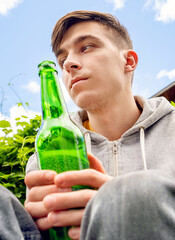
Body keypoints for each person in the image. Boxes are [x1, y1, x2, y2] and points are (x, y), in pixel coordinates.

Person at [1, 10, 175, 240]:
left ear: (129, 61)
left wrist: (121, 204)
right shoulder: (48, 149)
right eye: (62, 60)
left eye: (86, 47)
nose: (69, 64)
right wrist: (39, 219)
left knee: (138, 192)